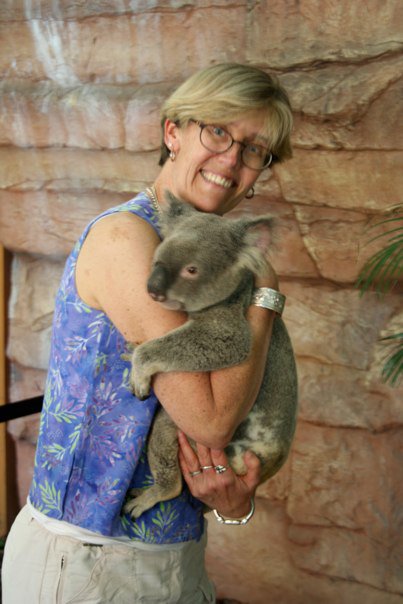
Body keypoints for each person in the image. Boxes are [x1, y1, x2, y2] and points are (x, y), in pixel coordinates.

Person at [2, 62, 293, 603]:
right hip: (88, 565)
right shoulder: (126, 239)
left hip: (177, 557)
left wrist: (233, 504)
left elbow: (228, 429)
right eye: (218, 131)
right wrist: (267, 295)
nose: (231, 159)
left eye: (254, 149)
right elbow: (210, 419)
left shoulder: (219, 255)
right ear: (173, 132)